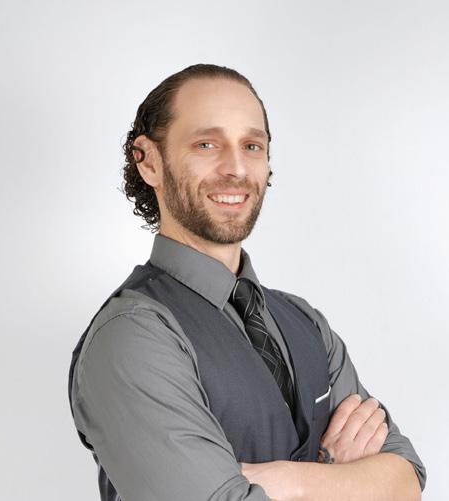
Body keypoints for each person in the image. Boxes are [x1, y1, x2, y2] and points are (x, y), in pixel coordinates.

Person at [68, 63, 426, 501]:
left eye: (252, 146)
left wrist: (292, 479)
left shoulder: (305, 322)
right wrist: (342, 475)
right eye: (206, 144)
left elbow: (406, 480)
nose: (236, 168)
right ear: (149, 161)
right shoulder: (132, 336)